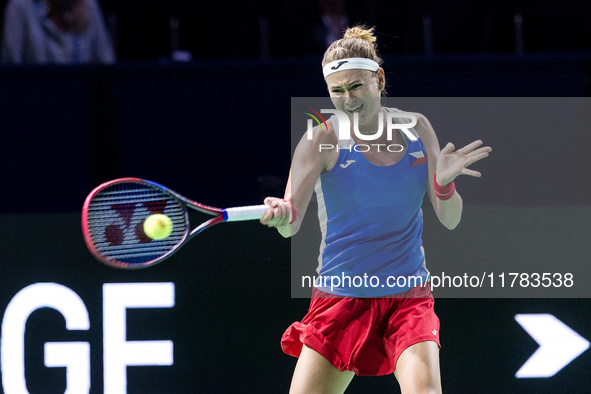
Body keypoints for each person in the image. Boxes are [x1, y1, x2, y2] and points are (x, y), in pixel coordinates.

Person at [260, 25, 491, 393]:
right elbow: (291, 221)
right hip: (341, 298)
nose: (348, 99)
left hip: (408, 296)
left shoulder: (417, 129)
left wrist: (444, 186)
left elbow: (450, 220)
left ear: (378, 79)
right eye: (337, 91)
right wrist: (282, 213)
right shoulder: (320, 138)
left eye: (356, 86)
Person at [1, 0, 115, 64]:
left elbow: (107, 64)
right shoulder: (20, 7)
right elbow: (9, 70)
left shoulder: (89, 5)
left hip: (79, 99)